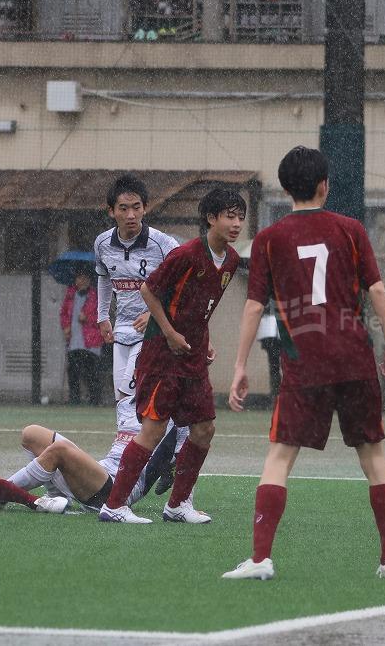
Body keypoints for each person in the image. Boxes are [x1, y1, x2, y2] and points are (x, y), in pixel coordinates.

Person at [223, 146, 385, 581]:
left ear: (286, 188)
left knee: (280, 456)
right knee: (373, 456)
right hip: (355, 356)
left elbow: (254, 306)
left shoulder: (269, 239)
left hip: (306, 363)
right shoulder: (350, 229)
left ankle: (261, 559)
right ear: (325, 185)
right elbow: (377, 290)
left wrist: (240, 365)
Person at [97, 188, 245, 524]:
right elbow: (149, 290)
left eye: (240, 217)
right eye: (230, 216)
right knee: (153, 429)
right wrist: (169, 332)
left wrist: (203, 340)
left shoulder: (232, 261)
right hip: (162, 355)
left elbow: (201, 306)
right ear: (211, 218)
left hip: (192, 356)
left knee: (204, 428)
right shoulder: (187, 254)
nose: (236, 223)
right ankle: (114, 506)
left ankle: (177, 505)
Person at [6, 396, 196, 517]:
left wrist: (184, 502)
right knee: (31, 433)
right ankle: (58, 496)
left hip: (117, 489)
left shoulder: (176, 415)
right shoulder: (125, 405)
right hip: (101, 473)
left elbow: (185, 459)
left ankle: (1, 492)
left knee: (60, 450)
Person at [94, 175, 180, 404]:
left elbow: (183, 284)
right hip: (122, 329)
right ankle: (138, 431)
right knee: (122, 399)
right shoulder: (102, 243)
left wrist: (155, 313)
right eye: (123, 208)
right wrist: (102, 316)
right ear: (111, 211)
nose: (131, 215)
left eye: (136, 207)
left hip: (152, 331)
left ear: (145, 208)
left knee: (130, 394)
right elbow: (104, 278)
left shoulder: (164, 244)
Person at [61, 267, 103, 406]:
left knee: (91, 371)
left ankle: (94, 400)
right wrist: (65, 327)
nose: (82, 281)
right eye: (80, 278)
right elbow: (64, 314)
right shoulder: (70, 295)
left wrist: (88, 318)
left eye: (85, 278)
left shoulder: (95, 296)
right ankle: (74, 399)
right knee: (73, 371)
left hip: (91, 341)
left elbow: (101, 317)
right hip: (74, 341)